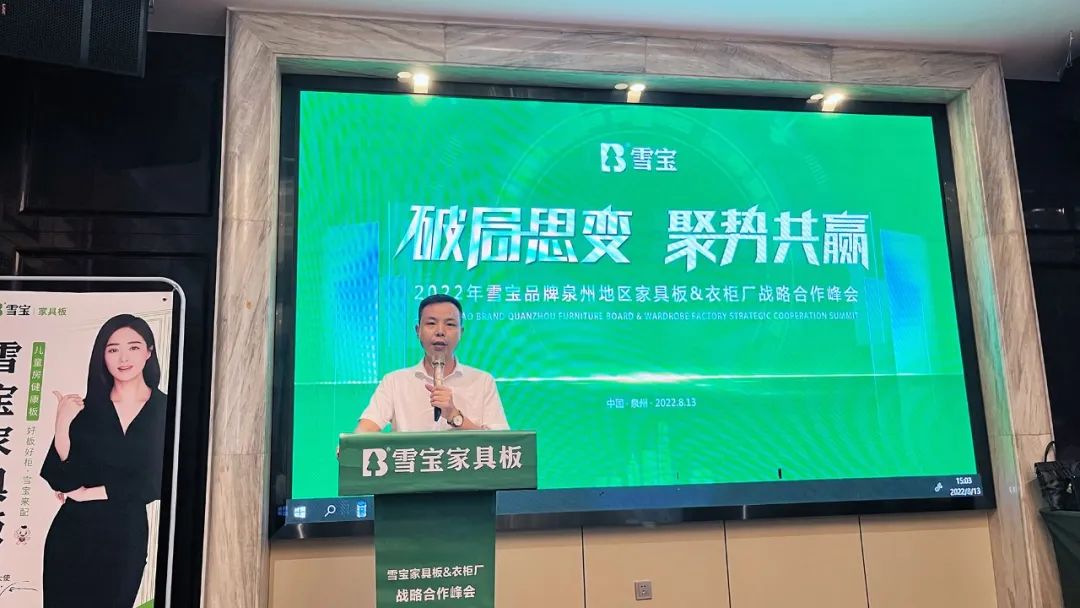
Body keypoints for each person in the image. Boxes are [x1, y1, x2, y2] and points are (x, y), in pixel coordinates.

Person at [40, 314, 168, 608]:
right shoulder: (85, 410)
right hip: (71, 534)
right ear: (102, 356)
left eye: (133, 347)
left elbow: (157, 481)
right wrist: (62, 425)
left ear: (149, 352)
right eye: (113, 349)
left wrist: (91, 492)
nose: (123, 358)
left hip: (125, 538)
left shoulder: (167, 409)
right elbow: (62, 479)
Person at [354, 294, 509, 432]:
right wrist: (353, 444)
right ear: (418, 331)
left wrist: (454, 415)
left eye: (450, 324)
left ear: (461, 332)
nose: (440, 331)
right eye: (431, 323)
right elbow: (366, 428)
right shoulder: (394, 382)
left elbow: (501, 443)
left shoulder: (483, 381)